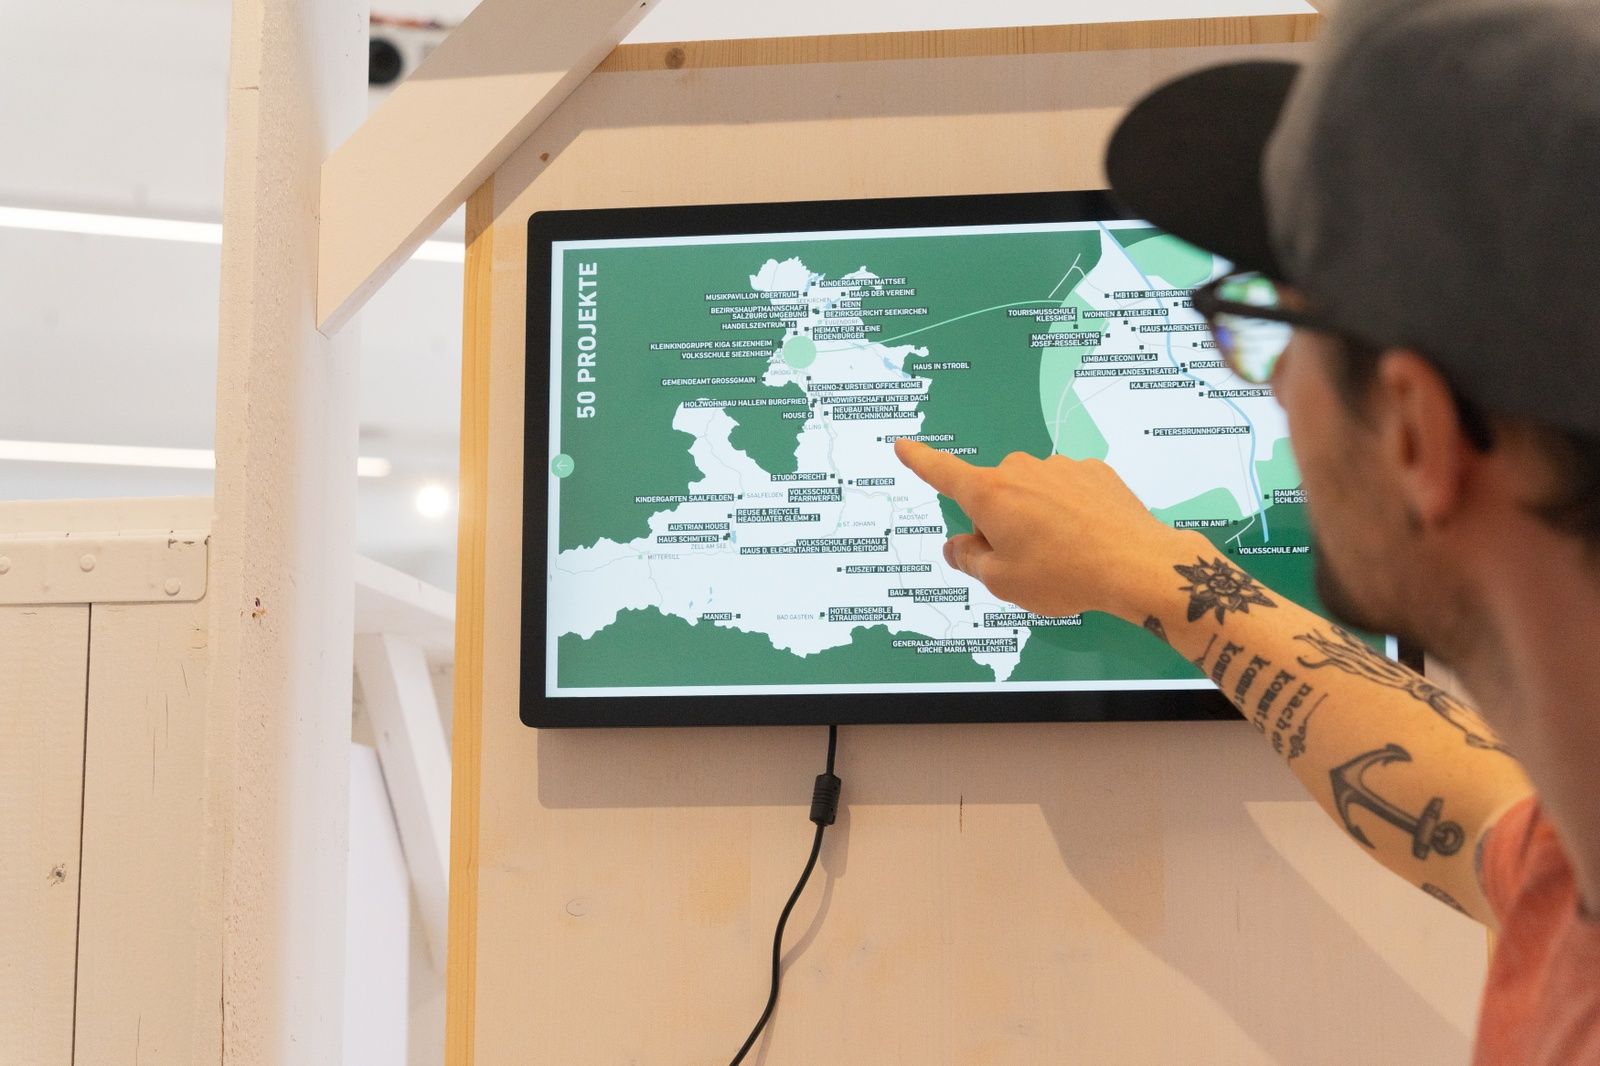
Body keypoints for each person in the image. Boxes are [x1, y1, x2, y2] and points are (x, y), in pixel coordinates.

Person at [894, 0, 1600, 1062]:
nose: (1273, 388)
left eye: (1272, 325)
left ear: (1413, 426)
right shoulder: (1569, 862)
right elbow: (1469, 809)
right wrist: (1152, 570)